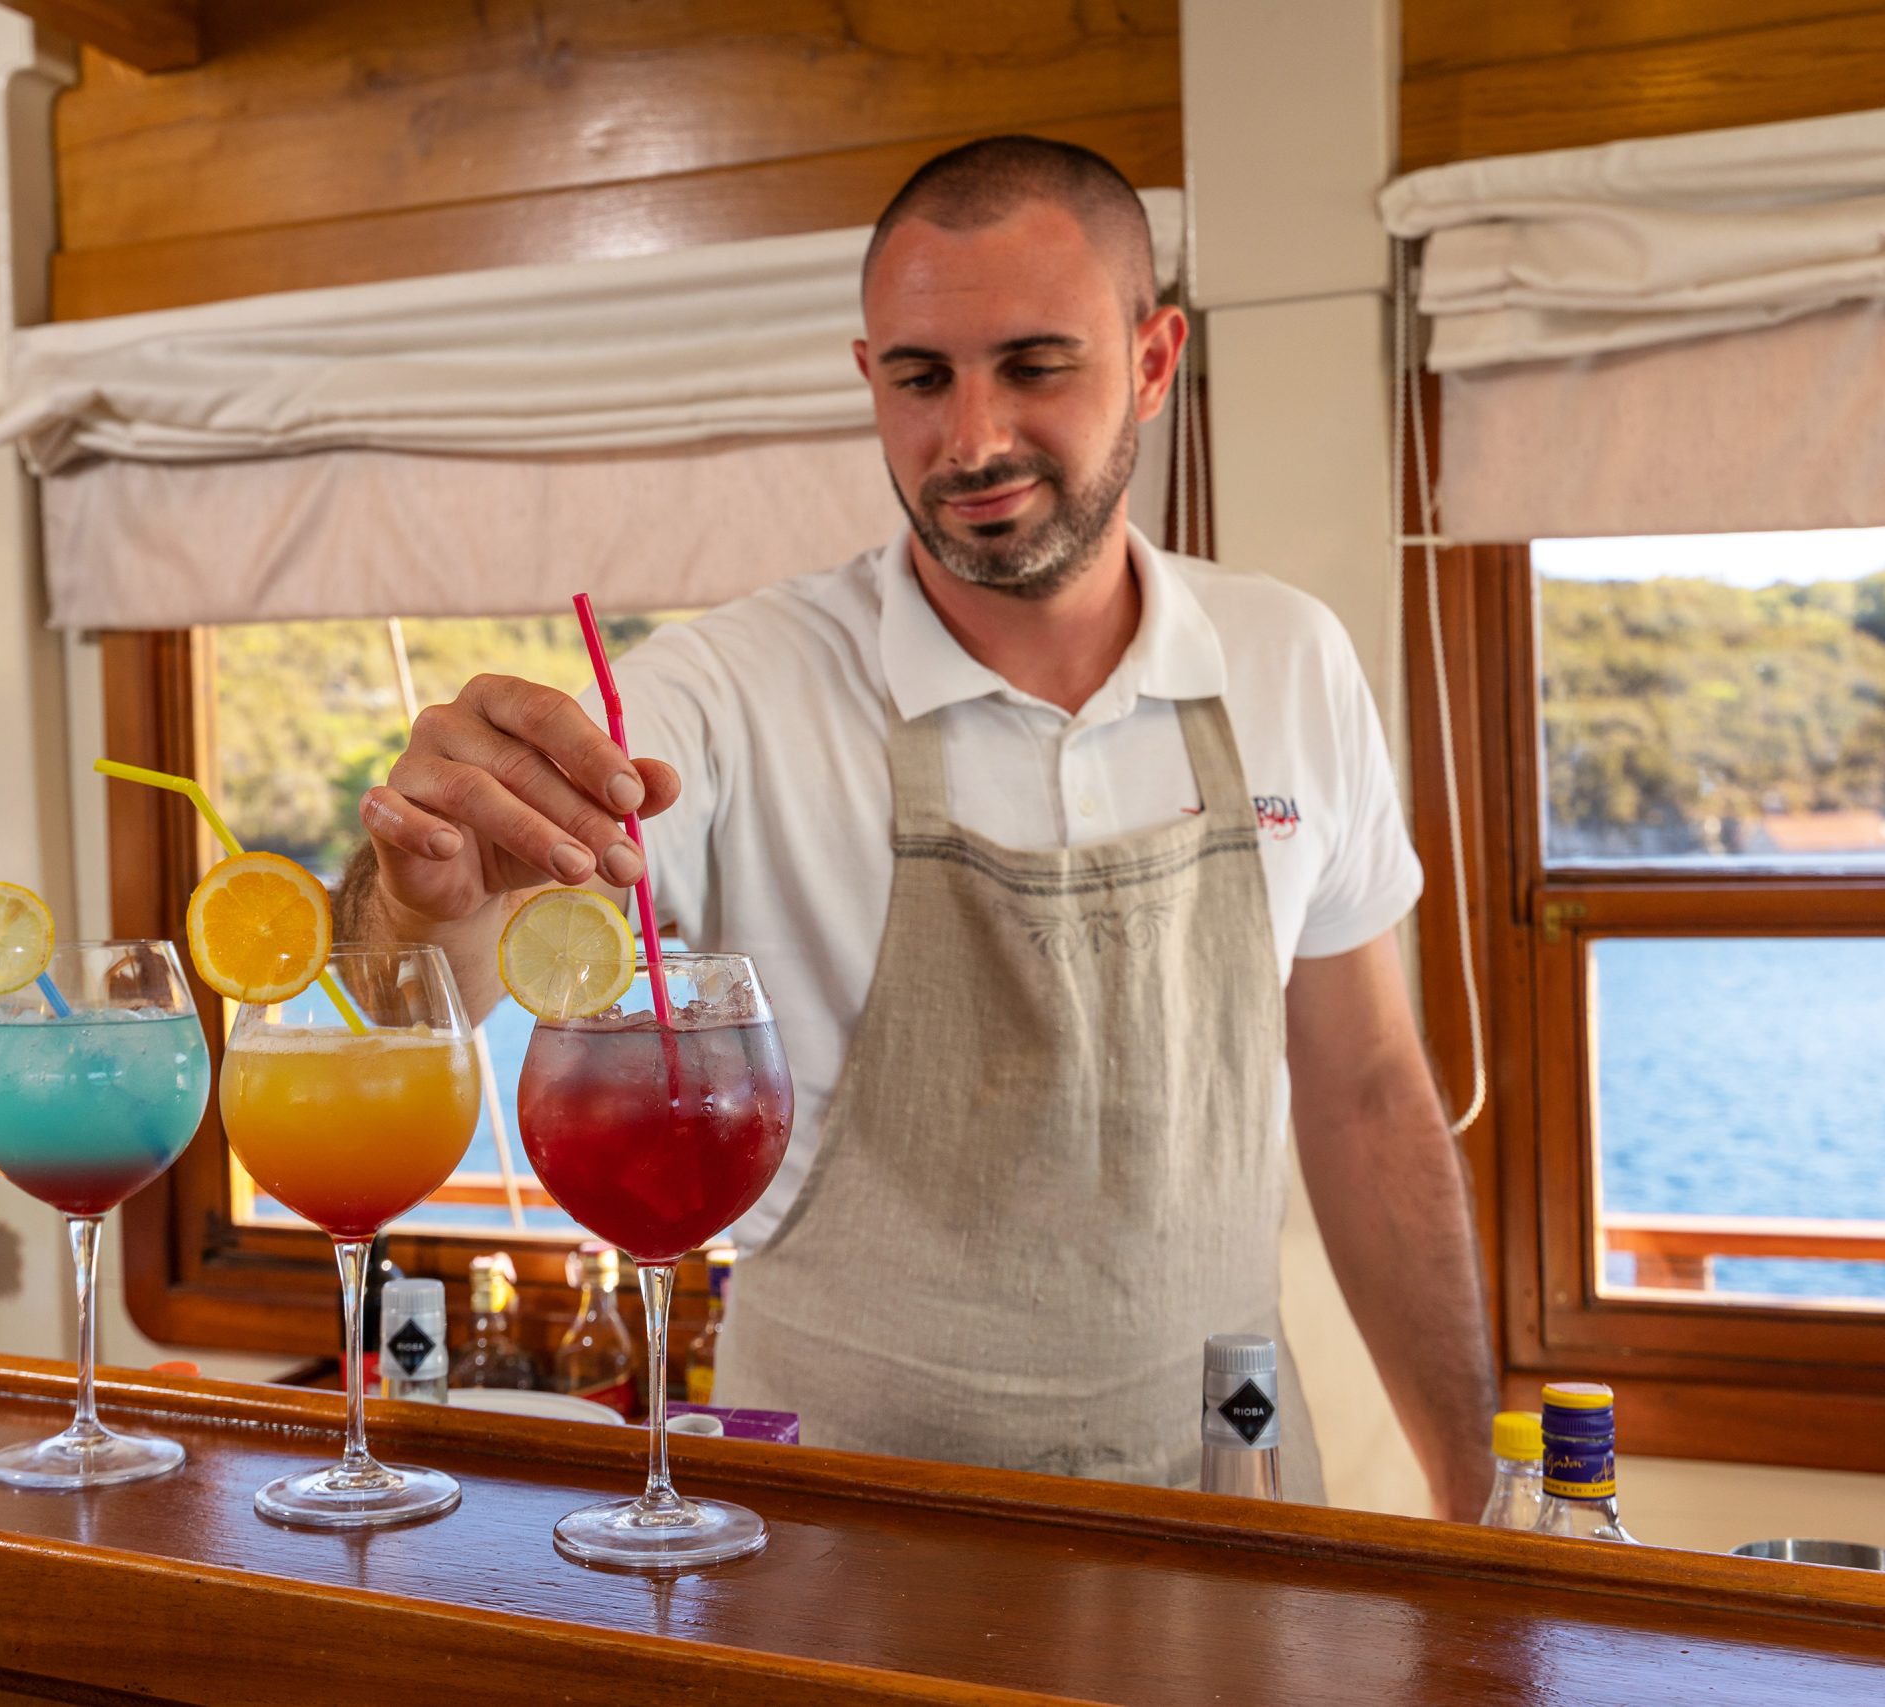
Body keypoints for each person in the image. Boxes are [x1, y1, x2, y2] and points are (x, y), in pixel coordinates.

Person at [335, 136, 1497, 1517]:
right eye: (922, 377)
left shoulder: (1289, 657)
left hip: (1229, 1496)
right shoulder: (726, 689)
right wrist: (425, 898)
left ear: (1157, 357)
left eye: (1037, 365)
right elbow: (411, 987)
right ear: (868, 377)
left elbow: (1367, 1096)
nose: (975, 439)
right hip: (842, 1526)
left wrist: (1481, 1509)